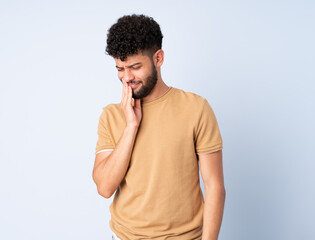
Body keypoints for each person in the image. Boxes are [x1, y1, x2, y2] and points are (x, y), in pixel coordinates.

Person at [92, 14, 225, 240]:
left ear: (158, 58)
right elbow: (105, 188)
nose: (126, 77)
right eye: (120, 68)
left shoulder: (196, 108)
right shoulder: (112, 115)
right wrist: (131, 127)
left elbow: (214, 186)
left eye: (135, 67)